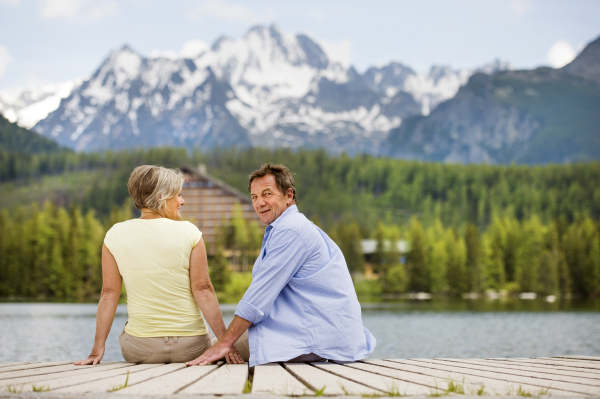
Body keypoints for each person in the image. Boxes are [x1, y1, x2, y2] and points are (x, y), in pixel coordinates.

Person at [187, 163, 375, 367]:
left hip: (308, 339)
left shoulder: (291, 231)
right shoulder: (290, 227)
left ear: (289, 195)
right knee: (212, 348)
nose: (259, 203)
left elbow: (257, 299)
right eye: (254, 197)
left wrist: (225, 343)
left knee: (201, 351)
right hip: (313, 334)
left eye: (267, 194)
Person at [75, 165, 247, 365]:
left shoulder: (115, 234)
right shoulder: (190, 232)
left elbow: (109, 293)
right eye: (179, 195)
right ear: (161, 198)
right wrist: (225, 343)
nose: (182, 201)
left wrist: (97, 349)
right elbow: (203, 289)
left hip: (140, 350)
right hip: (192, 349)